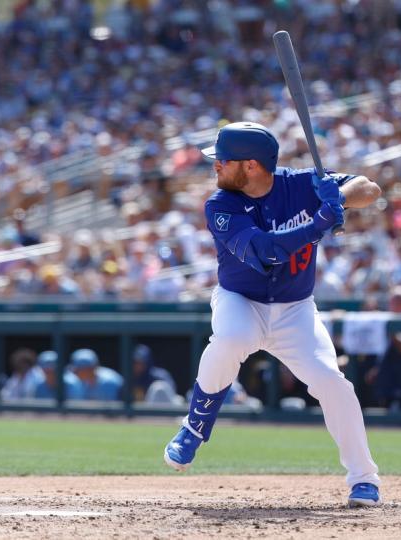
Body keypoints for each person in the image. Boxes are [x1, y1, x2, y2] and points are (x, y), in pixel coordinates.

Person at [162, 121, 383, 507]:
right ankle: (194, 428)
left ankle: (364, 478)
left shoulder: (300, 183)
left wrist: (339, 196)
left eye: (223, 160)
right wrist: (320, 222)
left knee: (332, 382)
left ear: (251, 165)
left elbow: (370, 189)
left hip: (296, 309)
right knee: (232, 338)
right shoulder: (220, 204)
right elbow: (266, 252)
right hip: (240, 300)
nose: (216, 166)